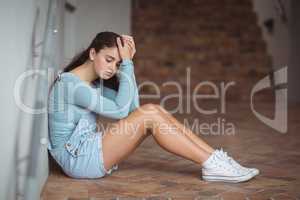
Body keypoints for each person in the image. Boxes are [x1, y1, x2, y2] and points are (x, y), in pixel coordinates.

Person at [47, 31, 259, 183]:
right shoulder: (70, 84)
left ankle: (215, 160)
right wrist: (128, 64)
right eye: (109, 59)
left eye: (117, 64)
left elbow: (133, 109)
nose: (113, 68)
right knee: (150, 113)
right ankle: (213, 164)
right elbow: (124, 112)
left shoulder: (92, 84)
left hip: (84, 152)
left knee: (155, 111)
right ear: (93, 54)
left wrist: (128, 65)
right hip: (76, 159)